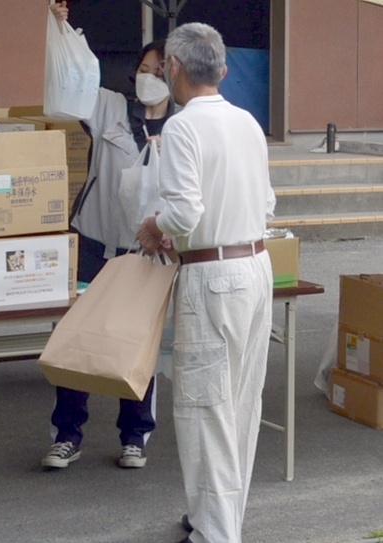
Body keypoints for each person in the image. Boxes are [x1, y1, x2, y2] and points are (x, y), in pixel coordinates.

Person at [136, 22, 276, 543]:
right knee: (240, 402)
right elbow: (266, 204)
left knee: (204, 406)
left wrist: (154, 226)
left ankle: (215, 534)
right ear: (221, 68)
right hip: (255, 265)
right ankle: (217, 520)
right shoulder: (246, 121)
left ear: (173, 67)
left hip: (211, 273)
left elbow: (183, 212)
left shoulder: (182, 127)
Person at [42, 1, 175, 471]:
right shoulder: (110, 108)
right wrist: (61, 29)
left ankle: (134, 436)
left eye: (160, 70)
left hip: (147, 254)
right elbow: (72, 78)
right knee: (77, 334)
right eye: (144, 67)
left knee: (137, 342)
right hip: (94, 243)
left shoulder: (184, 129)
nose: (149, 76)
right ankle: (66, 434)